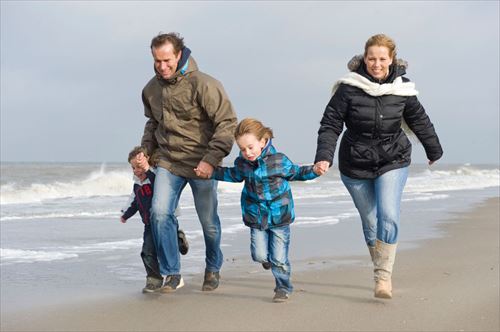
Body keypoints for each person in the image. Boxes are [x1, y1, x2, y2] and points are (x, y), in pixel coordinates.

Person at [314, 34, 443, 299]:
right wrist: (324, 155)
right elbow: (330, 124)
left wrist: (434, 149)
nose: (376, 64)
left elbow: (419, 120)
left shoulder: (402, 89)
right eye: (371, 58)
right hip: (355, 163)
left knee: (389, 215)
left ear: (392, 59)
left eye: (382, 59)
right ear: (364, 59)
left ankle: (383, 277)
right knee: (371, 221)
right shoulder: (348, 88)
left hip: (392, 159)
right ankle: (381, 264)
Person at [138, 32, 237, 293]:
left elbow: (226, 123)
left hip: (201, 164)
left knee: (209, 223)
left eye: (167, 60)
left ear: (179, 54)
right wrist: (145, 152)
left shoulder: (204, 84)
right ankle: (172, 273)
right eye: (157, 61)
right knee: (159, 214)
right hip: (169, 162)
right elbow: (153, 124)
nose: (162, 66)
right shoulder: (151, 89)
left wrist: (211, 159)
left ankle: (213, 267)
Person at [197, 118, 322, 302]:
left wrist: (315, 170)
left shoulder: (279, 160)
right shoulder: (243, 163)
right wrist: (211, 172)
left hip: (280, 216)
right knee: (259, 255)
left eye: (250, 147)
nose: (247, 152)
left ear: (263, 141)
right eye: (242, 149)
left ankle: (283, 287)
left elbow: (297, 172)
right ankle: (268, 261)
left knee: (279, 259)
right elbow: (232, 174)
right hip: (256, 217)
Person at [120, 146, 189, 293]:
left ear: (147, 162)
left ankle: (177, 239)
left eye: (138, 166)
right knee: (147, 251)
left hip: (165, 220)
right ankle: (154, 279)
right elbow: (134, 202)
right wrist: (125, 214)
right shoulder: (137, 185)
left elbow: (159, 184)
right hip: (148, 224)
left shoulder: (157, 176)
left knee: (164, 245)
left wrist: (147, 169)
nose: (136, 171)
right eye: (133, 168)